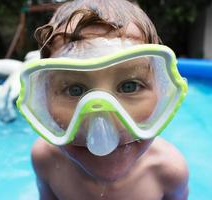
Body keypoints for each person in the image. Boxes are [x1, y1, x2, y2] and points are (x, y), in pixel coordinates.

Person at [17, 0, 189, 199]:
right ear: (44, 102)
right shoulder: (45, 159)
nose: (101, 124)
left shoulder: (169, 171)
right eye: (74, 90)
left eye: (129, 86)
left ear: (162, 94)